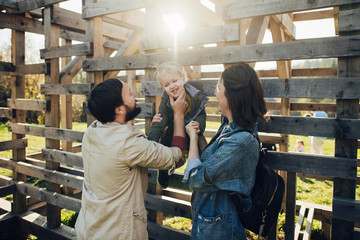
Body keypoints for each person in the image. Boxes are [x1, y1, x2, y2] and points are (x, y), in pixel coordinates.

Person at [75, 78, 188, 240]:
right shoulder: (128, 143)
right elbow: (175, 157)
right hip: (118, 234)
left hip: (89, 229)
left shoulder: (92, 131)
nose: (134, 94)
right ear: (119, 109)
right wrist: (178, 114)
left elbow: (131, 149)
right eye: (129, 93)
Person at [183, 63, 268, 240]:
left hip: (220, 231)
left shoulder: (240, 142)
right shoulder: (229, 127)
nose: (215, 93)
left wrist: (192, 137)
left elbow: (195, 178)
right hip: (211, 224)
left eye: (218, 88)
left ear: (232, 95)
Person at [148, 62, 208, 188]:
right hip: (172, 131)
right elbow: (161, 118)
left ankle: (200, 175)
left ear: (183, 78)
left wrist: (199, 125)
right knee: (164, 148)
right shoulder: (166, 99)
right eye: (166, 85)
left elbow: (201, 113)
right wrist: (150, 142)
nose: (172, 86)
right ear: (163, 87)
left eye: (174, 81)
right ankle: (164, 174)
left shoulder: (194, 96)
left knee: (202, 148)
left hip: (191, 131)